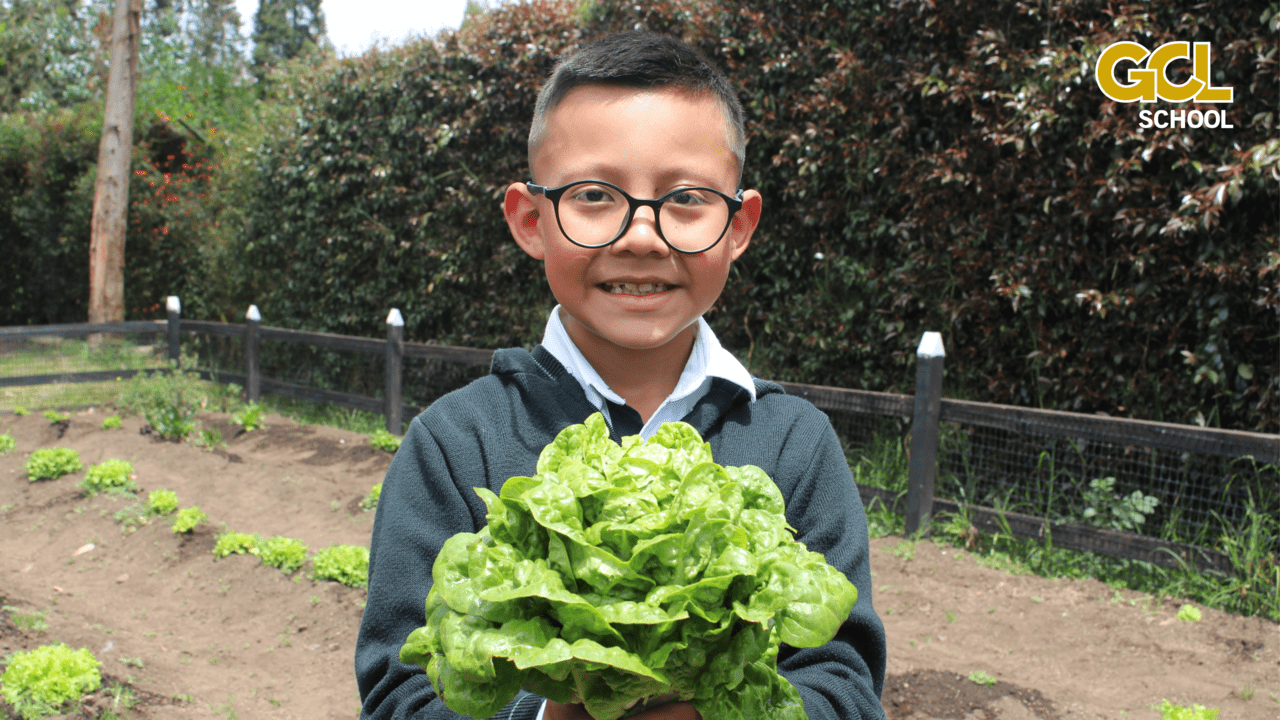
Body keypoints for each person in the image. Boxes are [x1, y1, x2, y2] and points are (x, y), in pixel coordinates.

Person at [355, 31, 887, 720]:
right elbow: (402, 696)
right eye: (594, 196)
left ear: (738, 226)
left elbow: (842, 684)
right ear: (530, 220)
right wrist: (554, 710)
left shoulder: (794, 445)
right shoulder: (455, 446)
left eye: (688, 199)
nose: (642, 235)